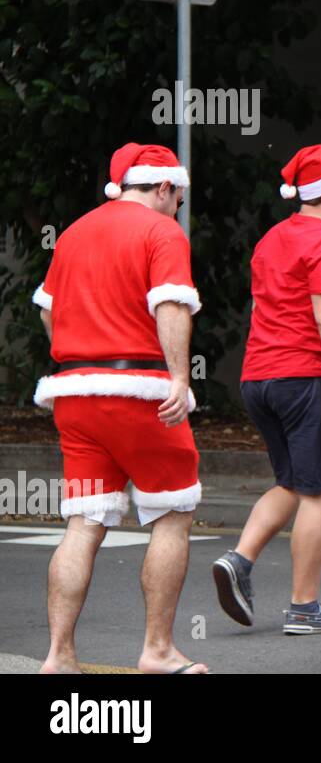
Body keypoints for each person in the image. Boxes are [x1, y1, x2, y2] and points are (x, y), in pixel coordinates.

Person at [33, 143, 207, 674]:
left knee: (83, 523)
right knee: (173, 513)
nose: (177, 206)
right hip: (139, 394)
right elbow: (173, 303)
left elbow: (48, 309)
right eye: (177, 196)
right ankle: (157, 650)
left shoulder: (76, 232)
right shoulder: (162, 232)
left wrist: (78, 354)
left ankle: (59, 656)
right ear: (163, 187)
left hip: (75, 393)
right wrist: (179, 377)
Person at [212, 144, 321, 635]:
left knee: (293, 481)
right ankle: (304, 607)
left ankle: (239, 560)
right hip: (304, 378)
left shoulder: (272, 239)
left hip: (259, 377)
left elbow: (263, 310)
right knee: (320, 492)